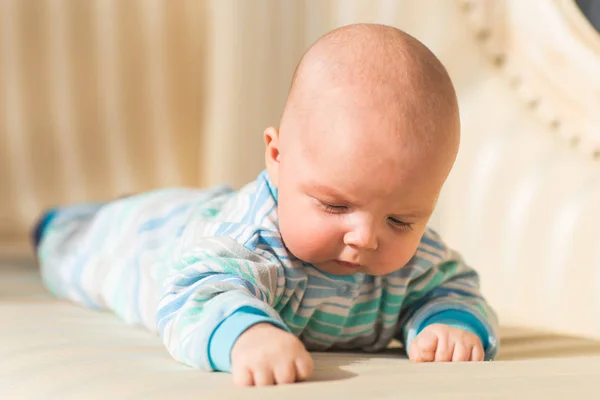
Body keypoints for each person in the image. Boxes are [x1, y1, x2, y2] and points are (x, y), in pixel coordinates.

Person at [33, 23, 499, 387]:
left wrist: (450, 323)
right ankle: (58, 225)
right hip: (153, 239)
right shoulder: (251, 246)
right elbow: (192, 296)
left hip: (211, 207)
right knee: (85, 250)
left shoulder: (414, 259)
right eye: (335, 205)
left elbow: (454, 287)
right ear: (277, 157)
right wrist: (248, 336)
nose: (366, 237)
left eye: (401, 219)